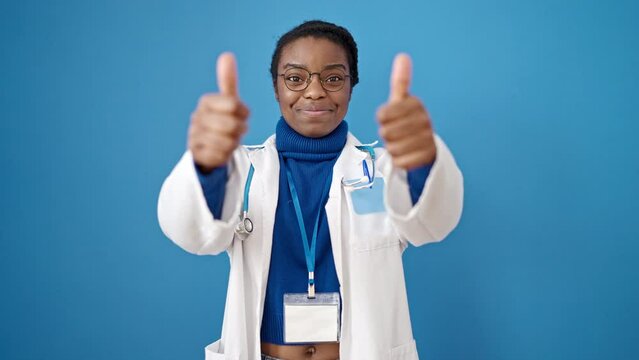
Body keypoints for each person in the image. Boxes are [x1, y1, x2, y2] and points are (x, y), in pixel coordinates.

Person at [158, 20, 463, 360]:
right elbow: (190, 232)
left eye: (333, 78)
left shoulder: (383, 171)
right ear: (276, 88)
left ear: (352, 86)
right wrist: (206, 166)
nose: (315, 91)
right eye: (295, 78)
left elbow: (432, 223)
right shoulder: (241, 171)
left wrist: (424, 160)